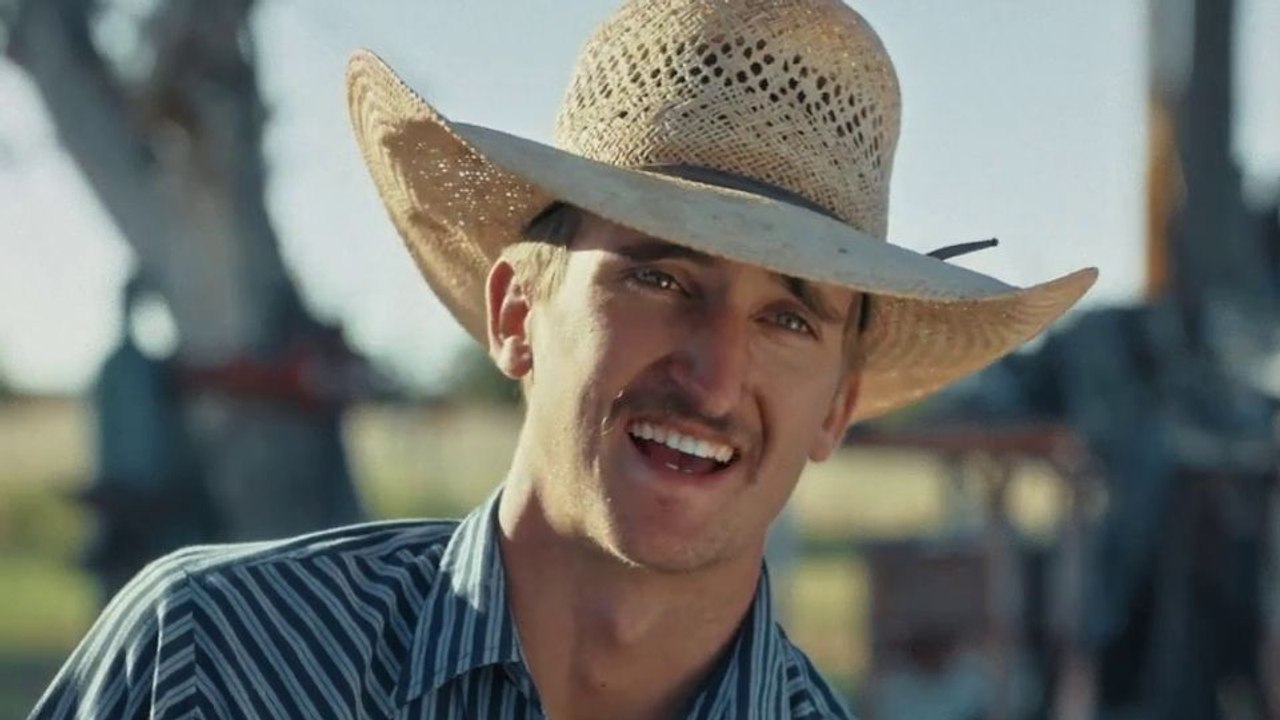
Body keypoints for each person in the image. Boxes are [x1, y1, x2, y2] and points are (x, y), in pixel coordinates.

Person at [30, 1, 1096, 718]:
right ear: (517, 313)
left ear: (836, 409)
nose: (714, 377)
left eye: (789, 320)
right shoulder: (212, 664)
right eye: (660, 279)